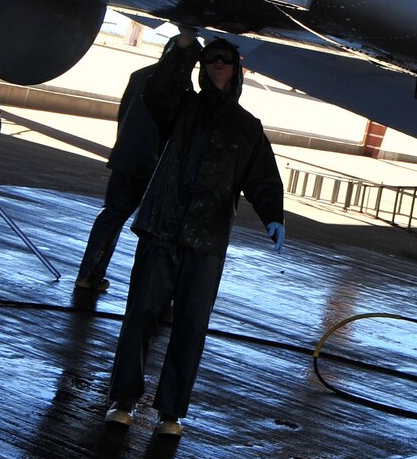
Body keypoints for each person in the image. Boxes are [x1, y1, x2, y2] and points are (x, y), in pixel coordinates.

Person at [105, 35, 285, 437]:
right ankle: (124, 399)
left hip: (207, 239)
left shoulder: (248, 128)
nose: (218, 64)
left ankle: (171, 411)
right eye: (211, 59)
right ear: (202, 67)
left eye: (225, 60)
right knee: (141, 316)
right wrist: (185, 46)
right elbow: (159, 88)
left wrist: (273, 215)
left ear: (237, 69)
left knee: (191, 324)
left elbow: (263, 180)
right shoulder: (180, 107)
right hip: (163, 229)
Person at [74, 39, 174, 293]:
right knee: (156, 227)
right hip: (153, 165)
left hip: (126, 158)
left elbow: (124, 114)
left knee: (111, 216)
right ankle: (151, 288)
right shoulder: (179, 85)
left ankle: (89, 274)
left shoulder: (139, 75)